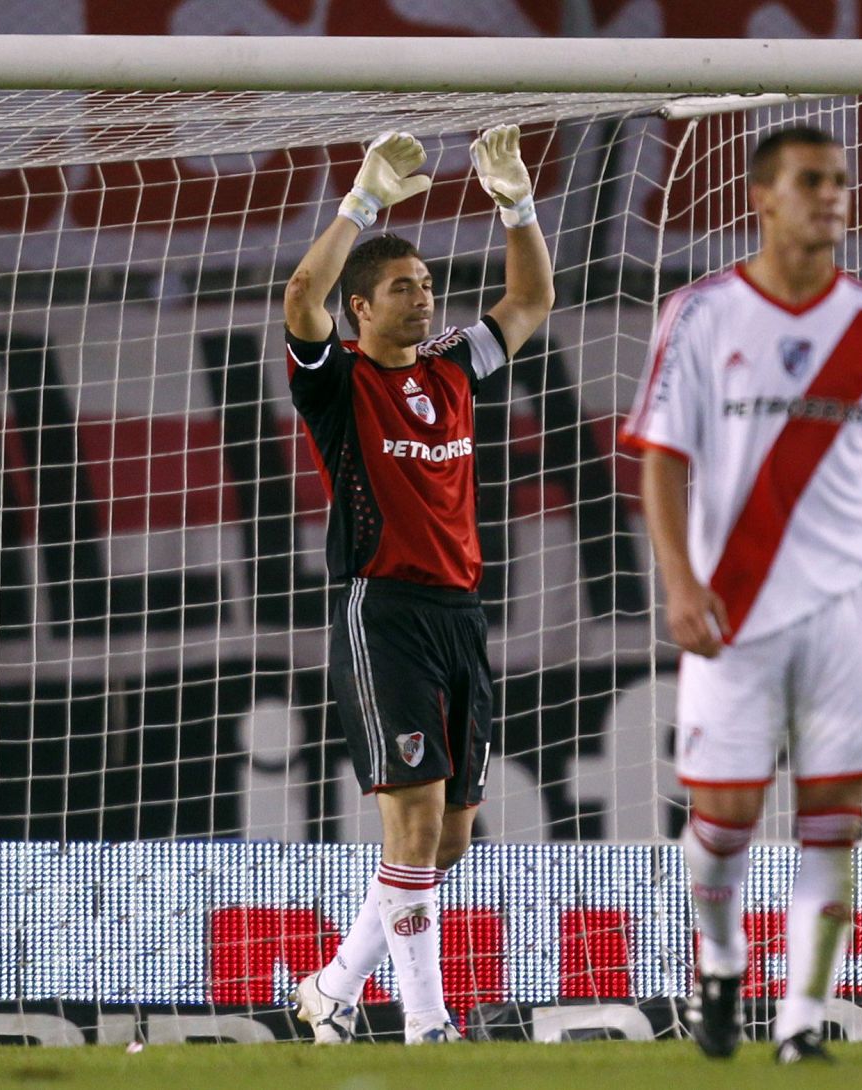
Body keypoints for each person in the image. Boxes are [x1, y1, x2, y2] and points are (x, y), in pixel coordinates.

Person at [621, 126, 862, 1064]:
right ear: (763, 196)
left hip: (851, 609)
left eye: (842, 182)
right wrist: (680, 584)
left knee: (833, 823)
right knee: (721, 826)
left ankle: (805, 1021)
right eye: (813, 181)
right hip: (733, 608)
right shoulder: (701, 314)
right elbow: (660, 463)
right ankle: (721, 959)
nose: (834, 197)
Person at [282, 126, 553, 1044]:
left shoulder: (452, 367)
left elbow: (531, 297)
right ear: (361, 306)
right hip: (383, 610)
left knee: (449, 842)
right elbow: (298, 294)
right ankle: (430, 1027)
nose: (423, 297)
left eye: (428, 286)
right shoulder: (337, 382)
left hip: (461, 614)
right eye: (404, 287)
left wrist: (515, 203)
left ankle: (329, 986)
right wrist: (361, 203)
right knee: (415, 824)